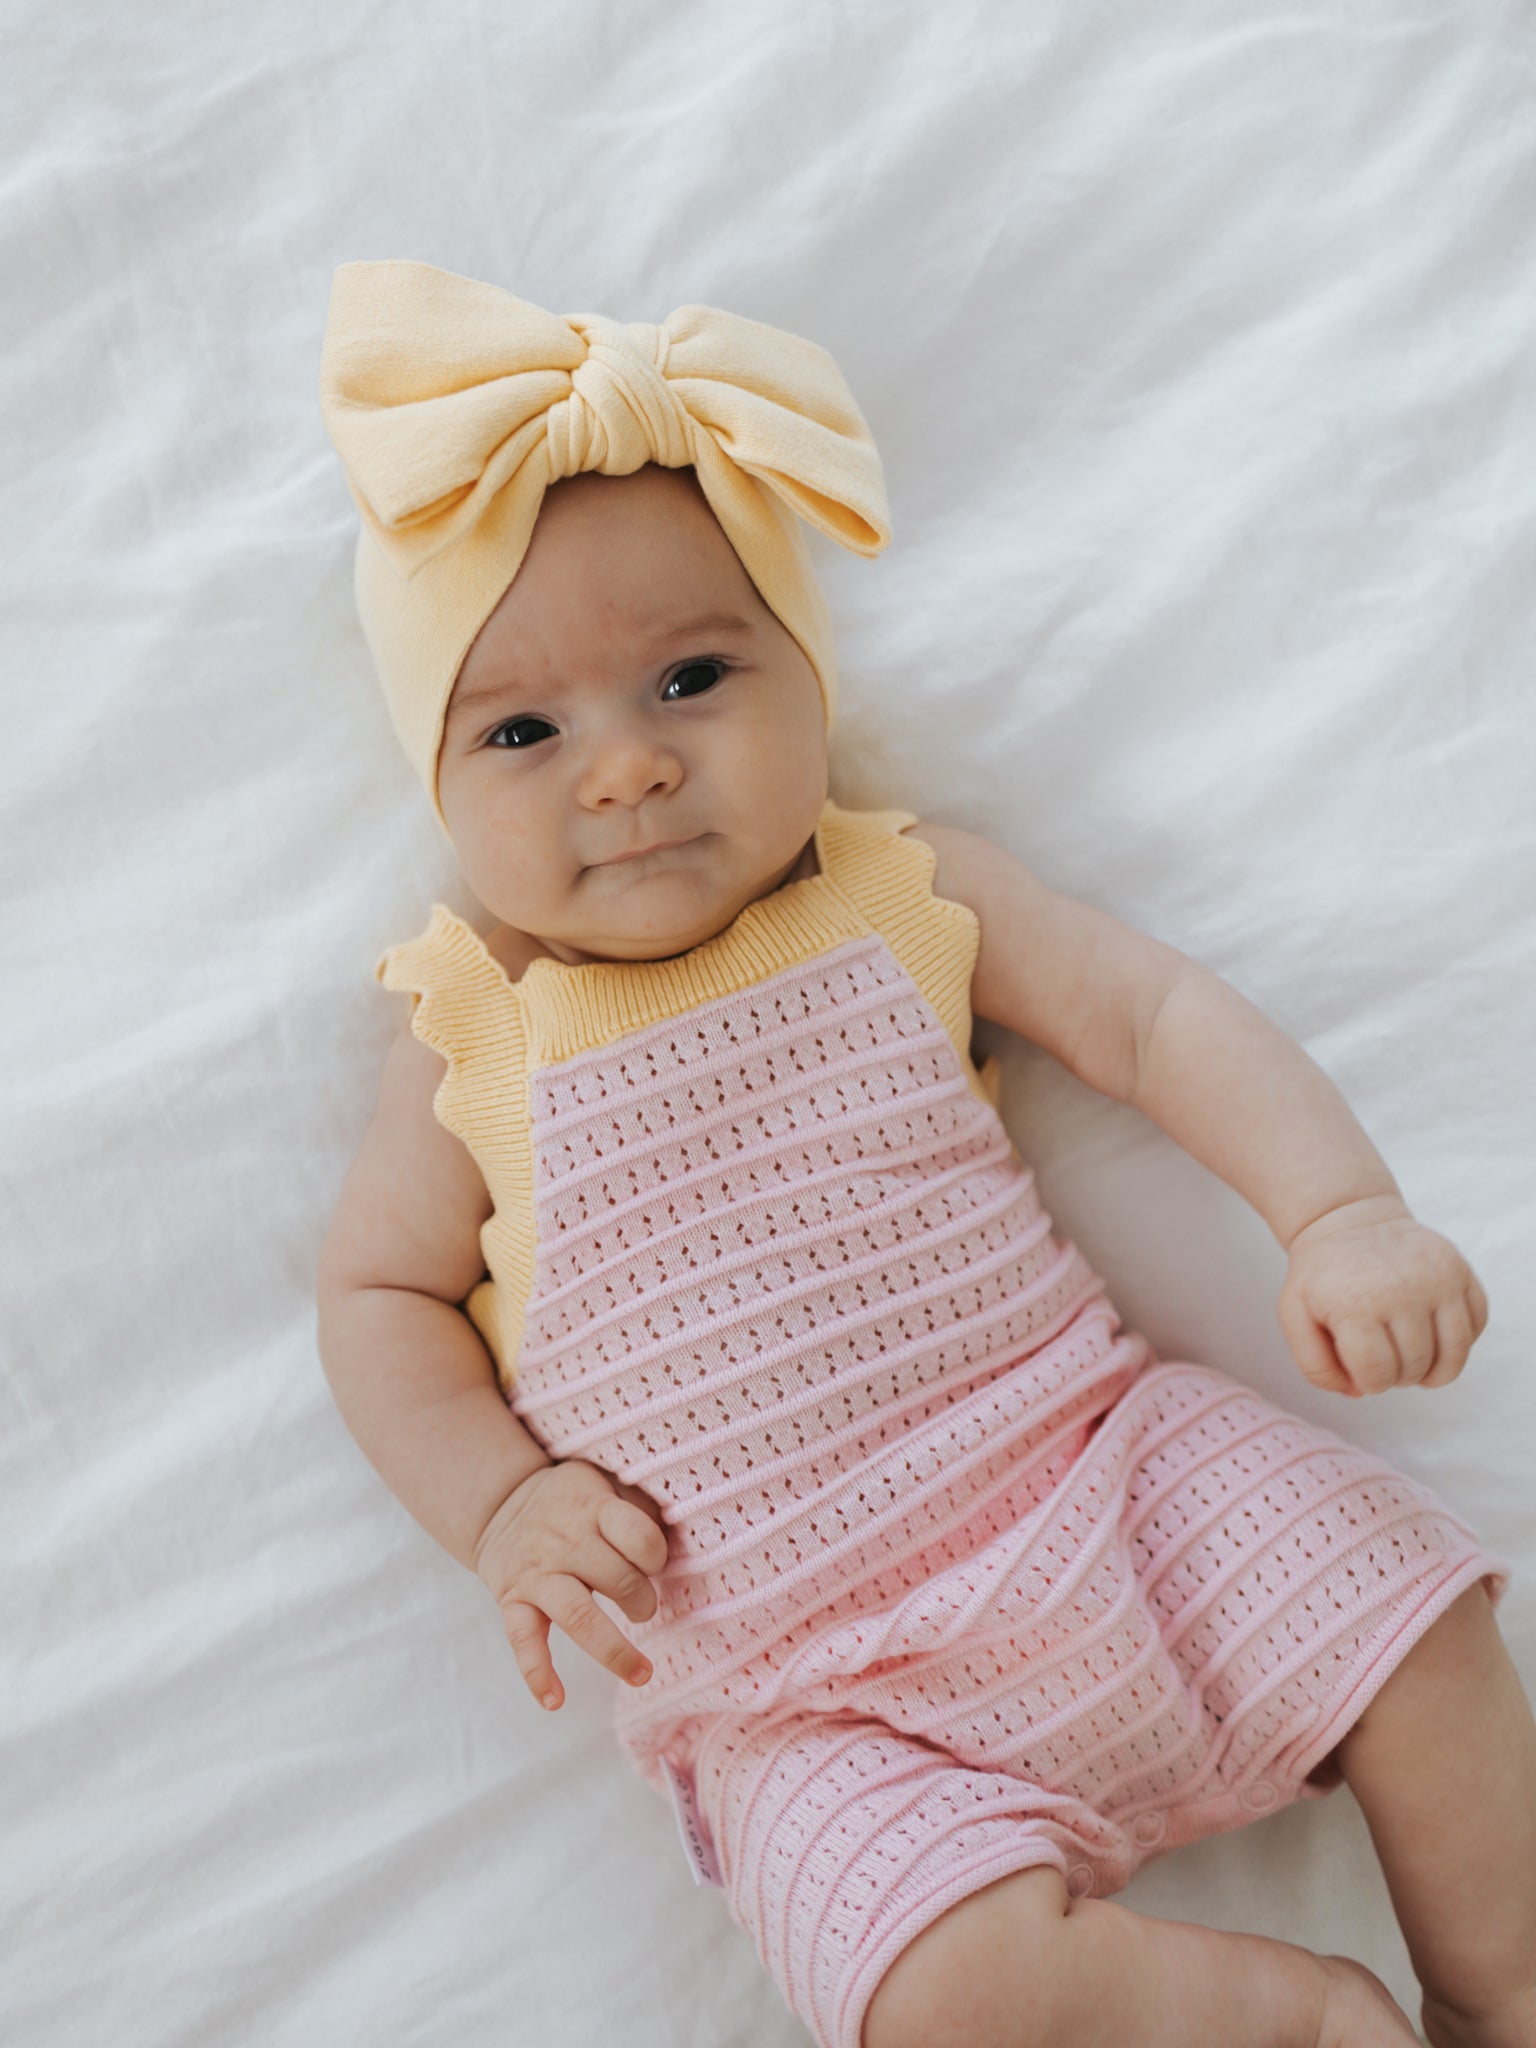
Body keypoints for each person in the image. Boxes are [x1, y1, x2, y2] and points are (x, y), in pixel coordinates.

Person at [314, 260, 1535, 2048]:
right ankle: (1300, 2018)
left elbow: (1150, 1019)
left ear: (803, 672)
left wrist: (1339, 1212)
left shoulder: (897, 895)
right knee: (933, 1997)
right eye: (523, 729)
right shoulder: (477, 1030)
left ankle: (1502, 1991)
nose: (631, 768)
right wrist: (496, 1506)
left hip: (1114, 1491)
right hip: (814, 1704)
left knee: (1415, 1615)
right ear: (434, 778)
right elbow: (376, 1295)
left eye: (691, 675)